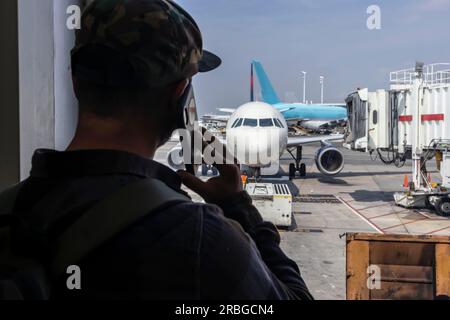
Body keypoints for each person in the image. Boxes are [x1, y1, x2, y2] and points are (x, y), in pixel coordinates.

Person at [1, 0, 313, 300]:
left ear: (74, 82)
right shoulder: (201, 239)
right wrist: (240, 209)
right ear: (179, 97)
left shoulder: (9, 211)